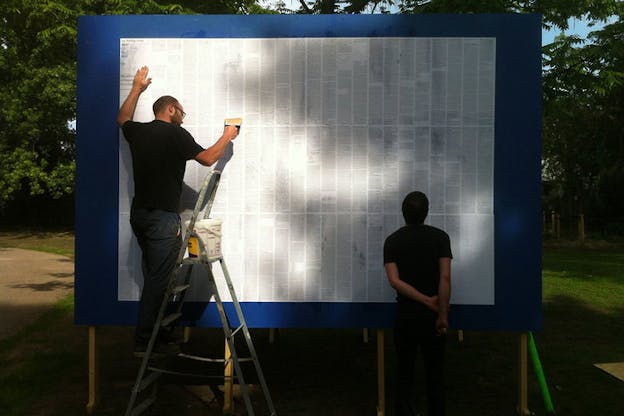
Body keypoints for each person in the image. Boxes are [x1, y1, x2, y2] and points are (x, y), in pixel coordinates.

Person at [117, 66, 239, 357]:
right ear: (171, 110)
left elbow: (123, 118)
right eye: (182, 112)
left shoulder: (140, 132)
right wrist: (228, 135)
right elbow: (209, 158)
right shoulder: (175, 134)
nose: (183, 117)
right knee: (159, 282)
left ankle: (159, 336)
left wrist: (136, 88)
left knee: (155, 278)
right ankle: (145, 343)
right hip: (161, 219)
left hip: (141, 216)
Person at [383, 191, 452, 416]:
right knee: (435, 372)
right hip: (432, 317)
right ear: (427, 212)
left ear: (403, 213)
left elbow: (394, 281)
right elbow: (445, 278)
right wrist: (441, 313)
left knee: (404, 371)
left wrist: (422, 300)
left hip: (405, 315)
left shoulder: (392, 241)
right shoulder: (441, 238)